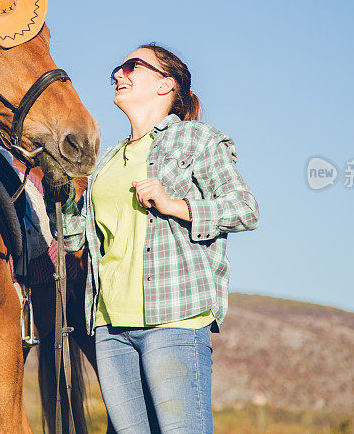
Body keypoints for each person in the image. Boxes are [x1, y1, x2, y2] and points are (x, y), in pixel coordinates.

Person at [44, 43, 260, 434]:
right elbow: (75, 241)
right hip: (110, 327)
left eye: (132, 66)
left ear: (166, 85)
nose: (118, 74)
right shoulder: (106, 161)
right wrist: (57, 192)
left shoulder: (196, 140)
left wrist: (174, 205)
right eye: (117, 67)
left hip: (174, 319)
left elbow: (245, 209)